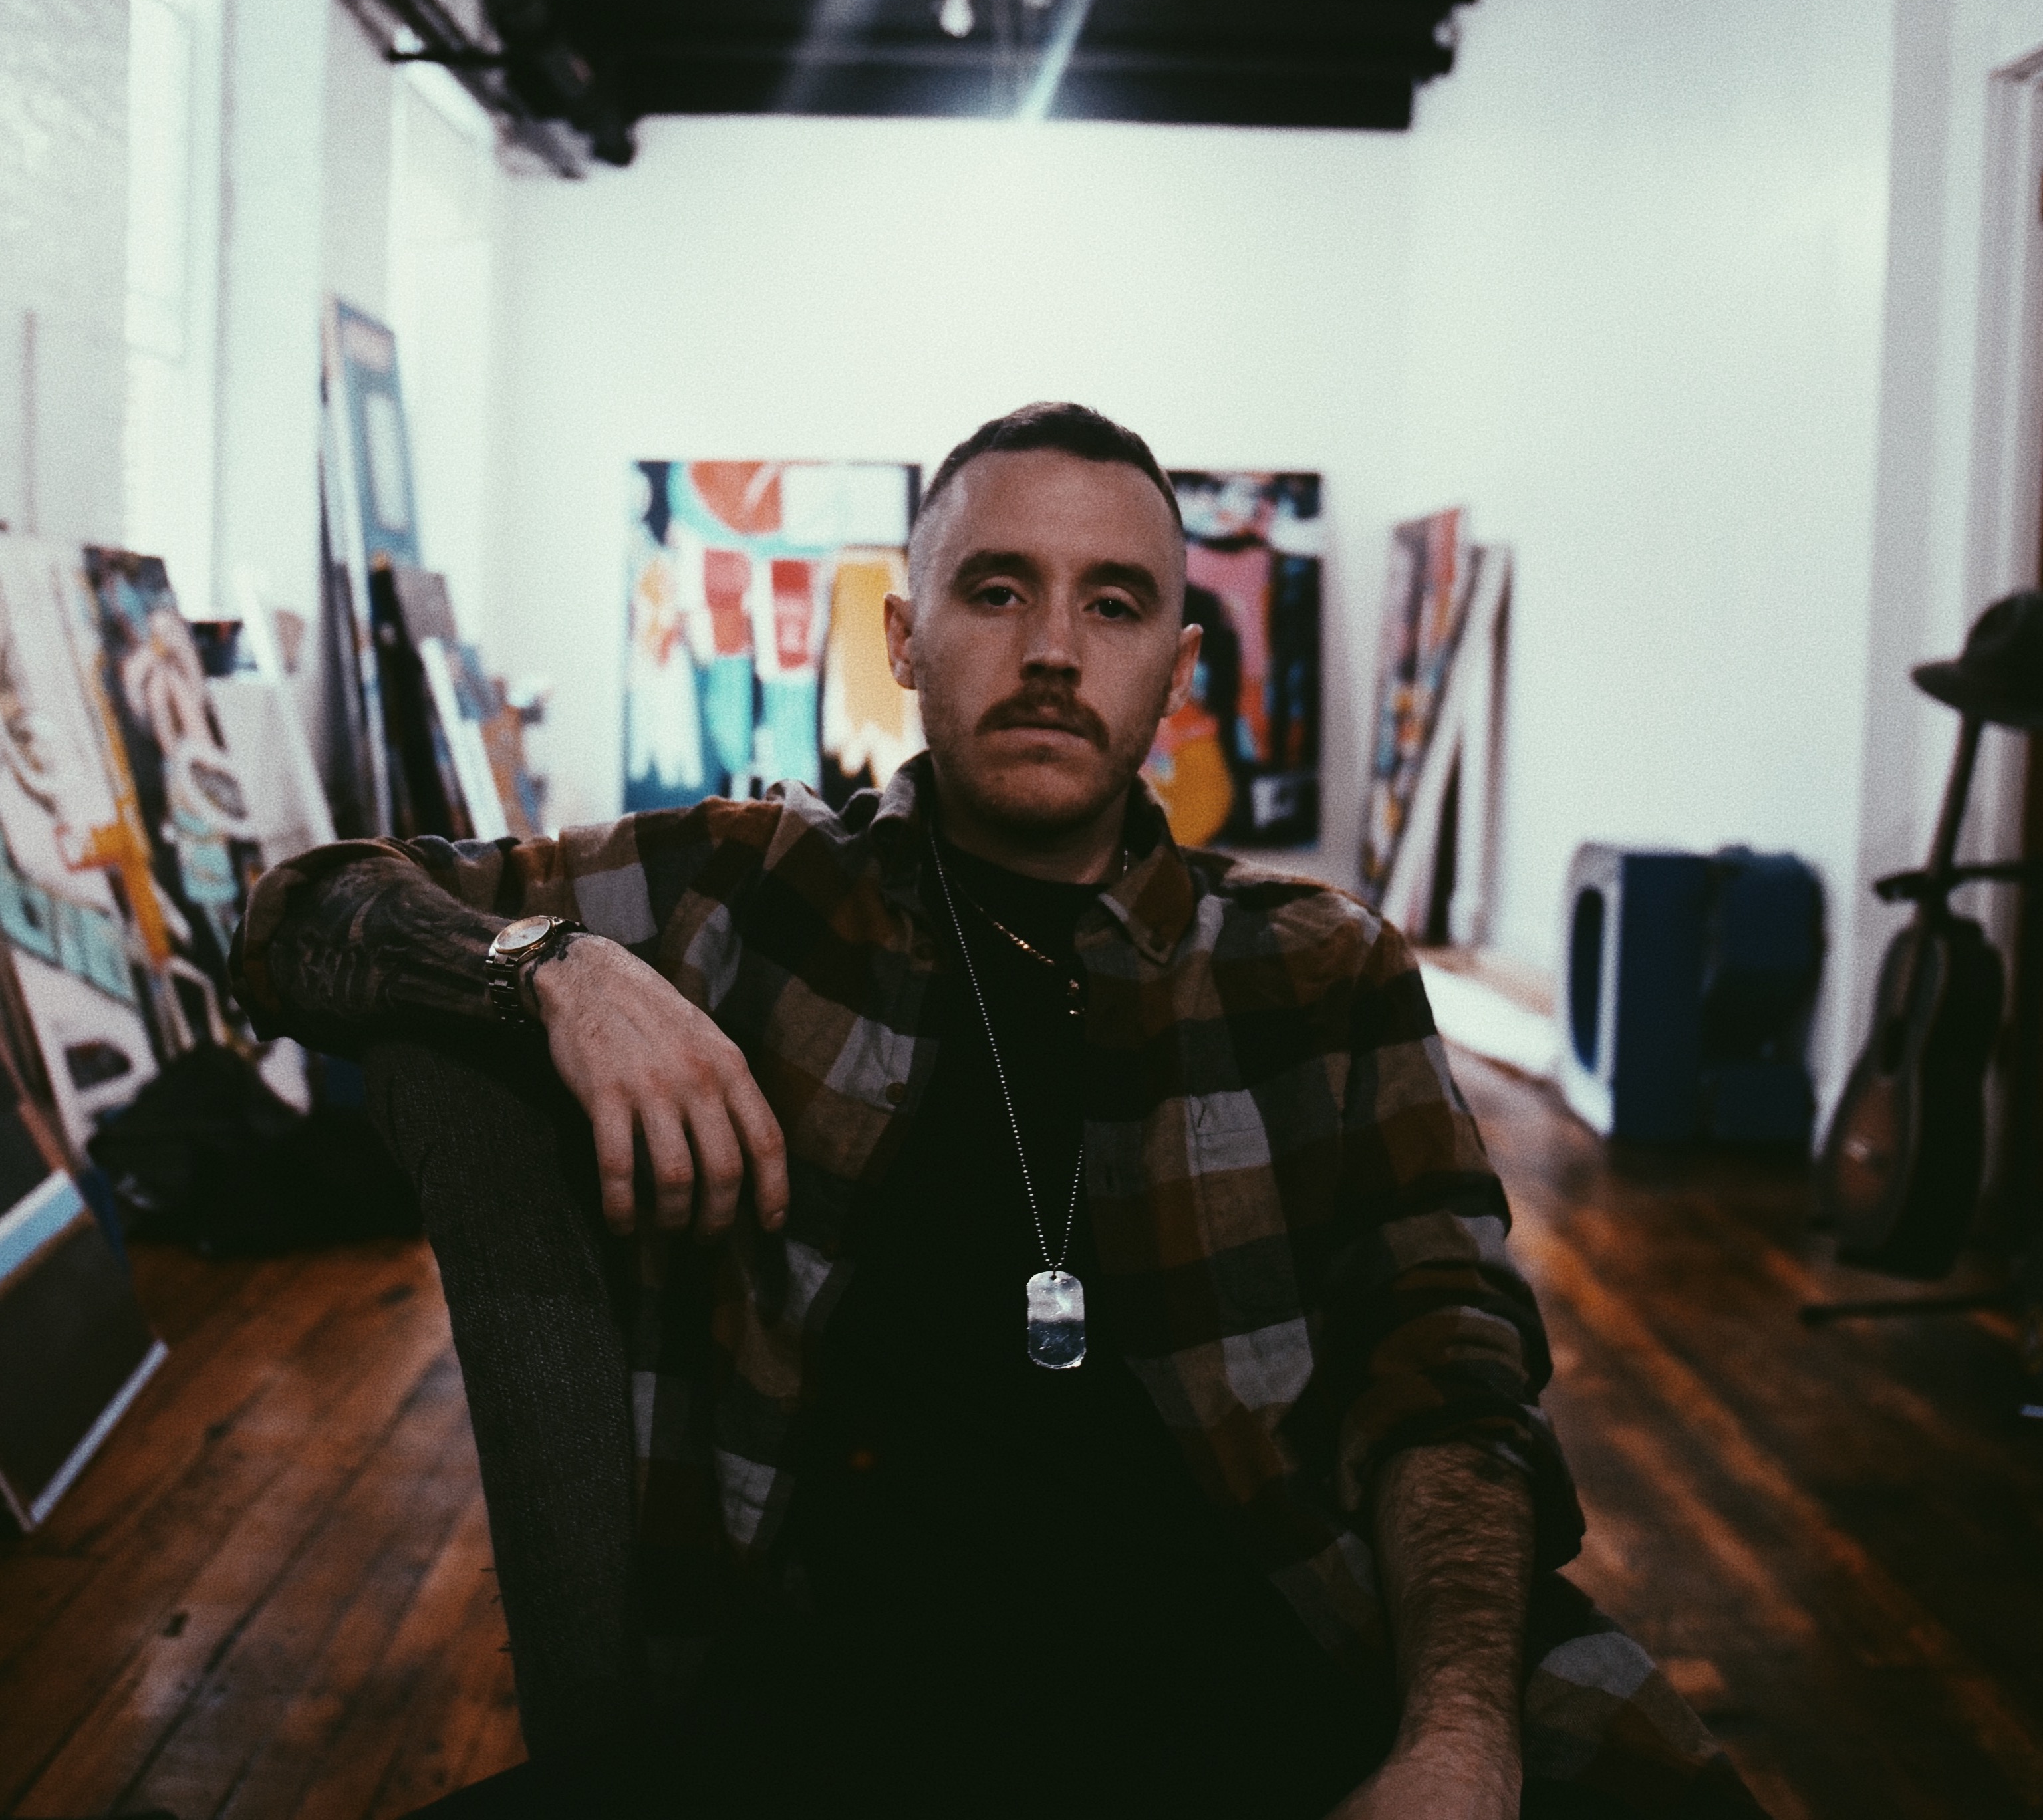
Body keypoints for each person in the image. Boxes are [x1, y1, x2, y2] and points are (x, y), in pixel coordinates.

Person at [233, 404, 1763, 1820]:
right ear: (905, 638)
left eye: (1115, 604)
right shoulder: (757, 892)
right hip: (852, 1709)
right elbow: (296, 911)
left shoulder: (1314, 968)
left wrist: (1455, 1736)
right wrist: (549, 967)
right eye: (996, 590)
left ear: (1177, 666)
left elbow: (1453, 1373)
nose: (1052, 651)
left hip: (1269, 1670)